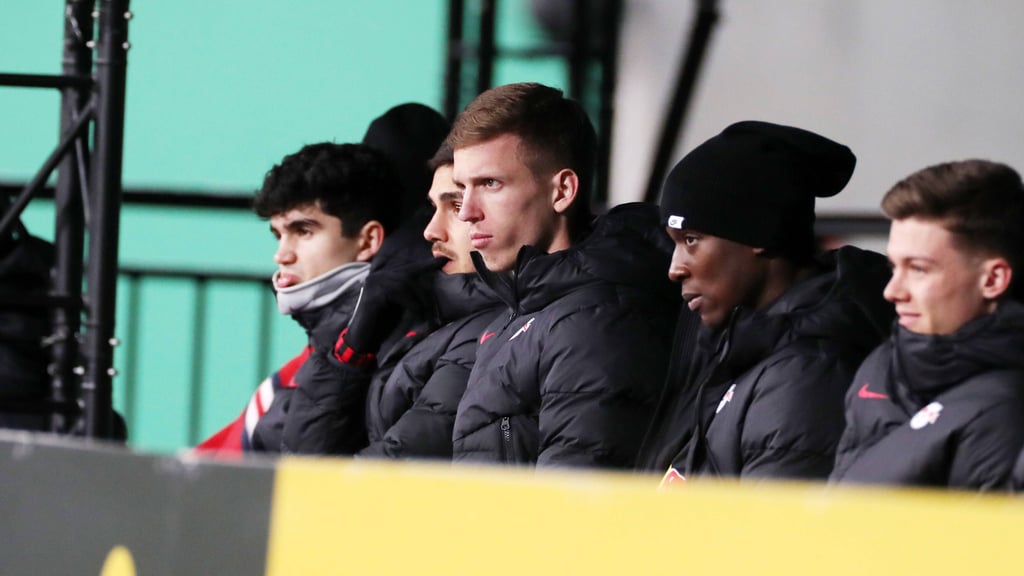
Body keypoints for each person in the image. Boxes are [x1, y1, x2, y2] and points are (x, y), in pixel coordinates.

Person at [445, 82, 678, 469]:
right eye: (461, 189)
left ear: (563, 190)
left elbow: (574, 507)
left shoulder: (594, 323)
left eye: (490, 183)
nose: (467, 211)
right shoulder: (530, 306)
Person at [653, 120, 893, 483]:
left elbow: (770, 537)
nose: (675, 269)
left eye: (690, 239)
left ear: (758, 232)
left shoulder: (806, 374)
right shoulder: (741, 349)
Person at [280, 142, 505, 457]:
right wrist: (353, 346)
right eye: (431, 209)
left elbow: (363, 476)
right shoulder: (419, 315)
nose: (430, 231)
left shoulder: (484, 333)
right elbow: (303, 458)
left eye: (455, 207)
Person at [830, 159, 1024, 490]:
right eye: (894, 267)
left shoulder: (1007, 411)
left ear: (992, 279)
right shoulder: (881, 365)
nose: (892, 292)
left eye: (918, 269)